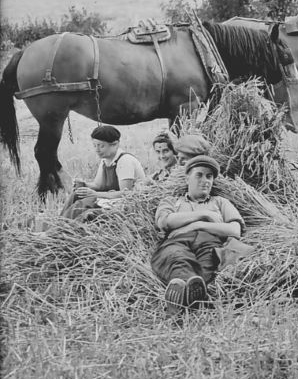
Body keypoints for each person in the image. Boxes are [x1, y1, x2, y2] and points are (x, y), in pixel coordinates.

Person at [151, 155, 245, 316]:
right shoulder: (172, 201)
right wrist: (204, 215)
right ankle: (190, 296)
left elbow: (235, 230)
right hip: (177, 241)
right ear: (187, 178)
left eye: (209, 176)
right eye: (199, 175)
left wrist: (200, 225)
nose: (205, 180)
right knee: (177, 258)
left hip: (209, 242)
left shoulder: (220, 202)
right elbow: (165, 222)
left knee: (207, 263)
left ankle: (182, 300)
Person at [61, 125, 146, 221]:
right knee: (77, 194)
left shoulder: (125, 161)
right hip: (111, 198)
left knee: (82, 205)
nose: (97, 149)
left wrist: (96, 194)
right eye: (95, 145)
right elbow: (98, 185)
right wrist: (84, 184)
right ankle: (57, 222)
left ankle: (62, 227)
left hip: (126, 203)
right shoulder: (105, 160)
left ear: (115, 144)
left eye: (101, 146)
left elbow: (126, 193)